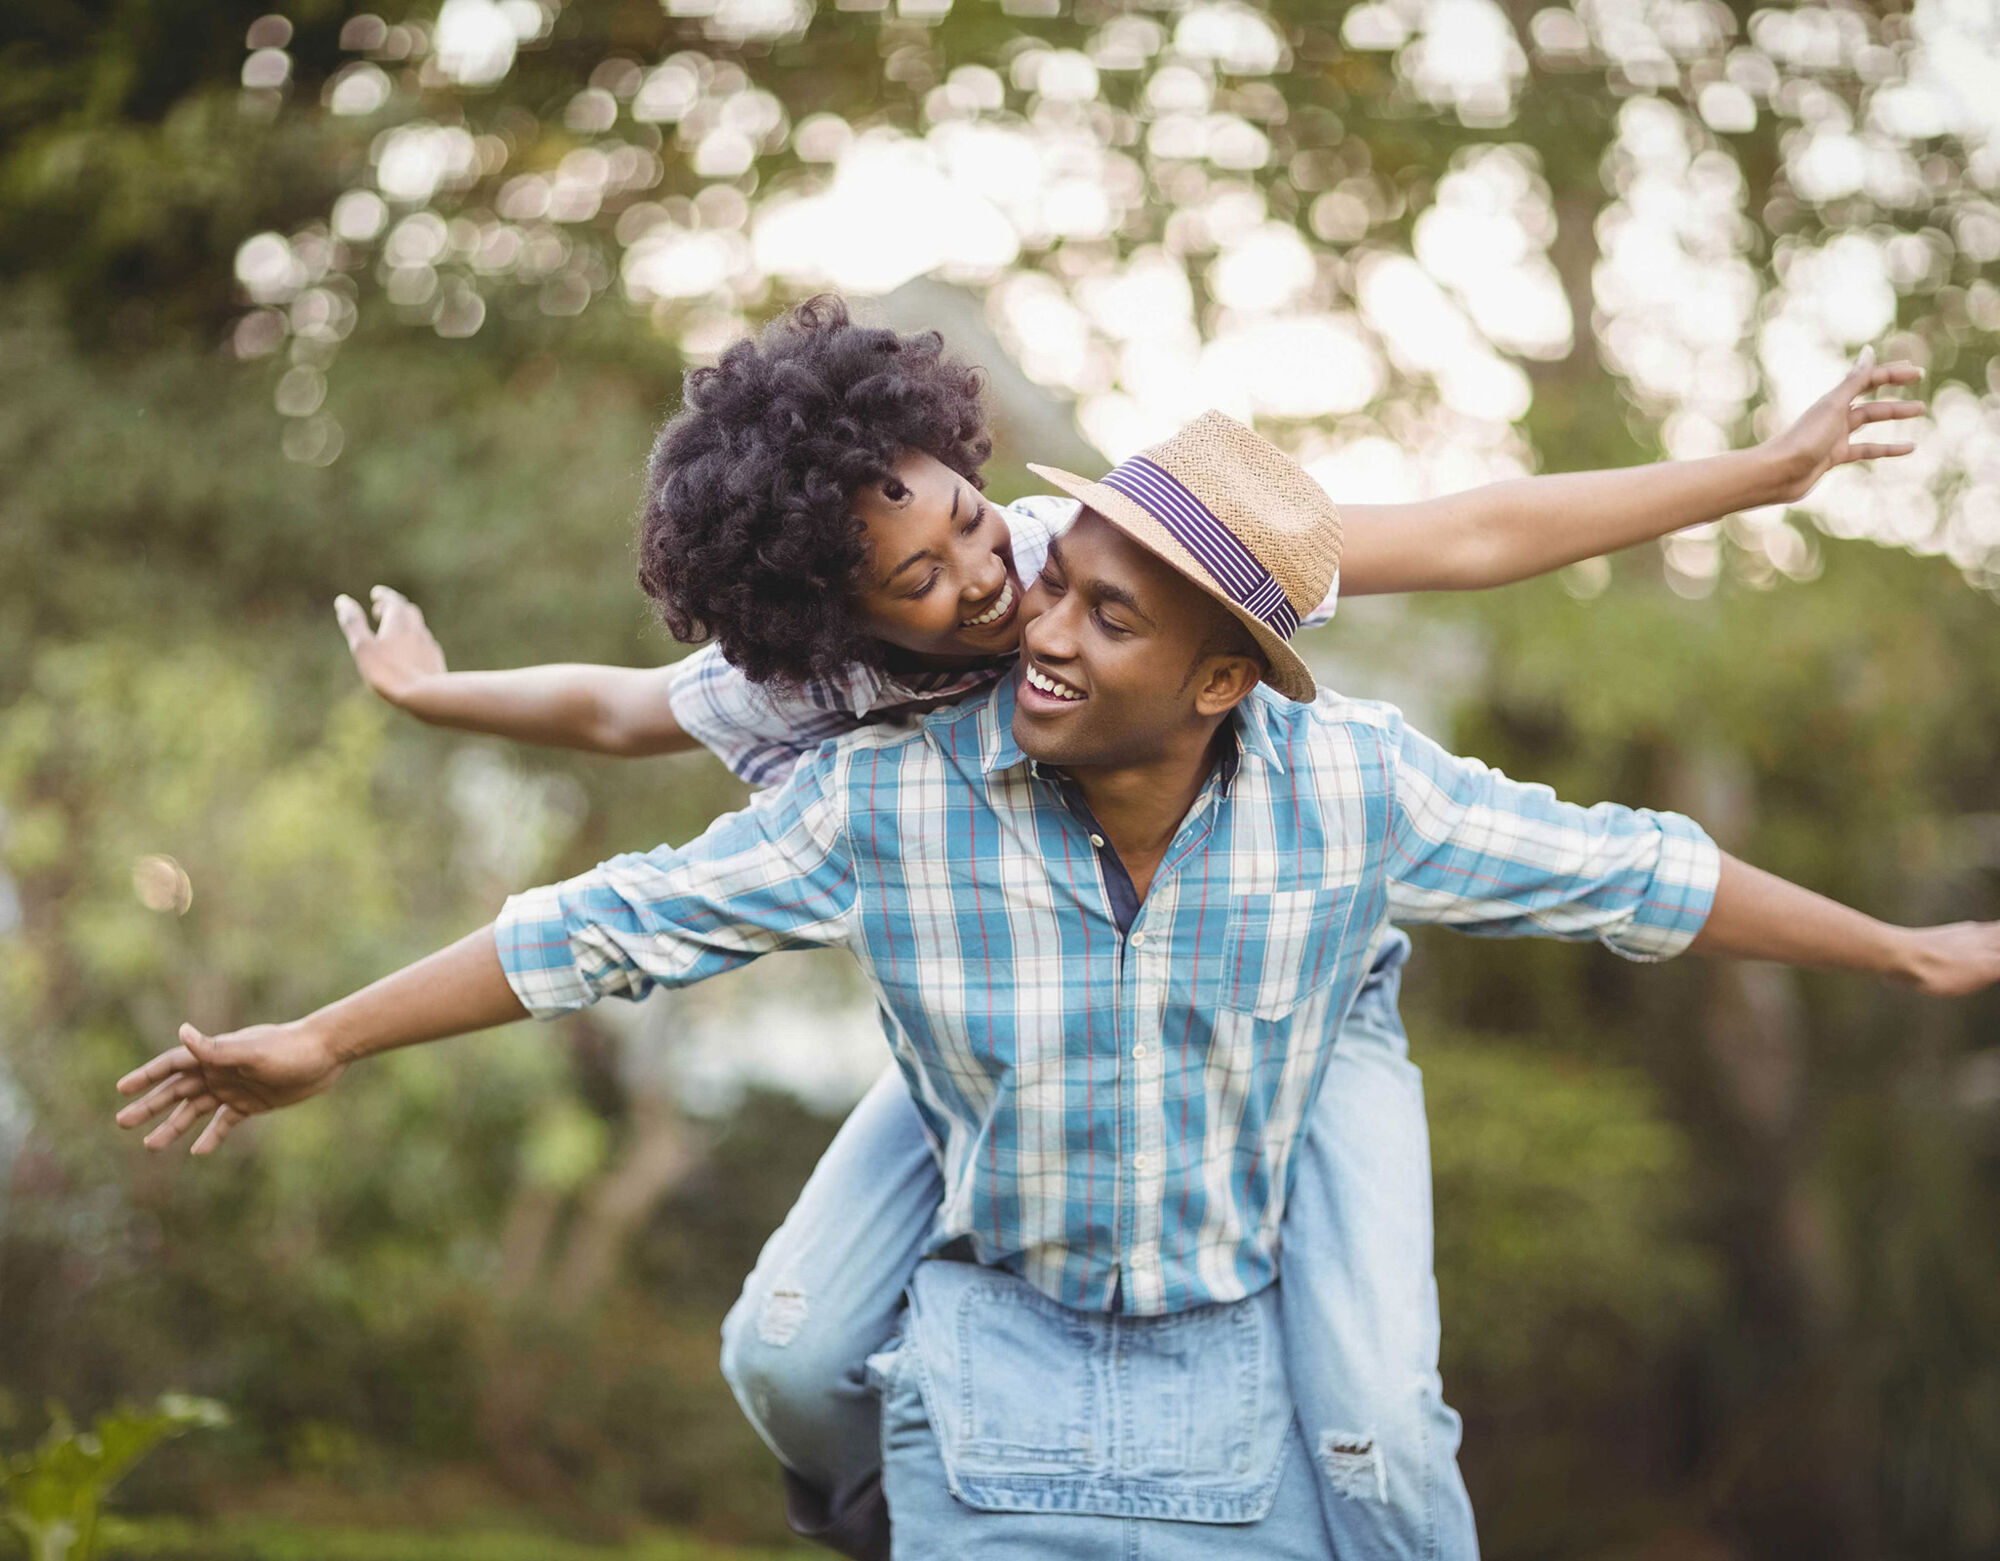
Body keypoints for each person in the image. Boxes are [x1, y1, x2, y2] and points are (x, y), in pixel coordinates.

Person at [121, 414, 1997, 1557]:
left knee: (1365, 1414)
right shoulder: (849, 742)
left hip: (1297, 999)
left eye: (1015, 552)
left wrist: (1908, 936)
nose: (1009, 598)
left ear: (1219, 671)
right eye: (941, 577)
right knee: (782, 1345)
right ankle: (870, 1505)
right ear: (831, 607)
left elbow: (1600, 787)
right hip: (991, 1011)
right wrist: (339, 1003)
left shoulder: (1305, 726)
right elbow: (604, 878)